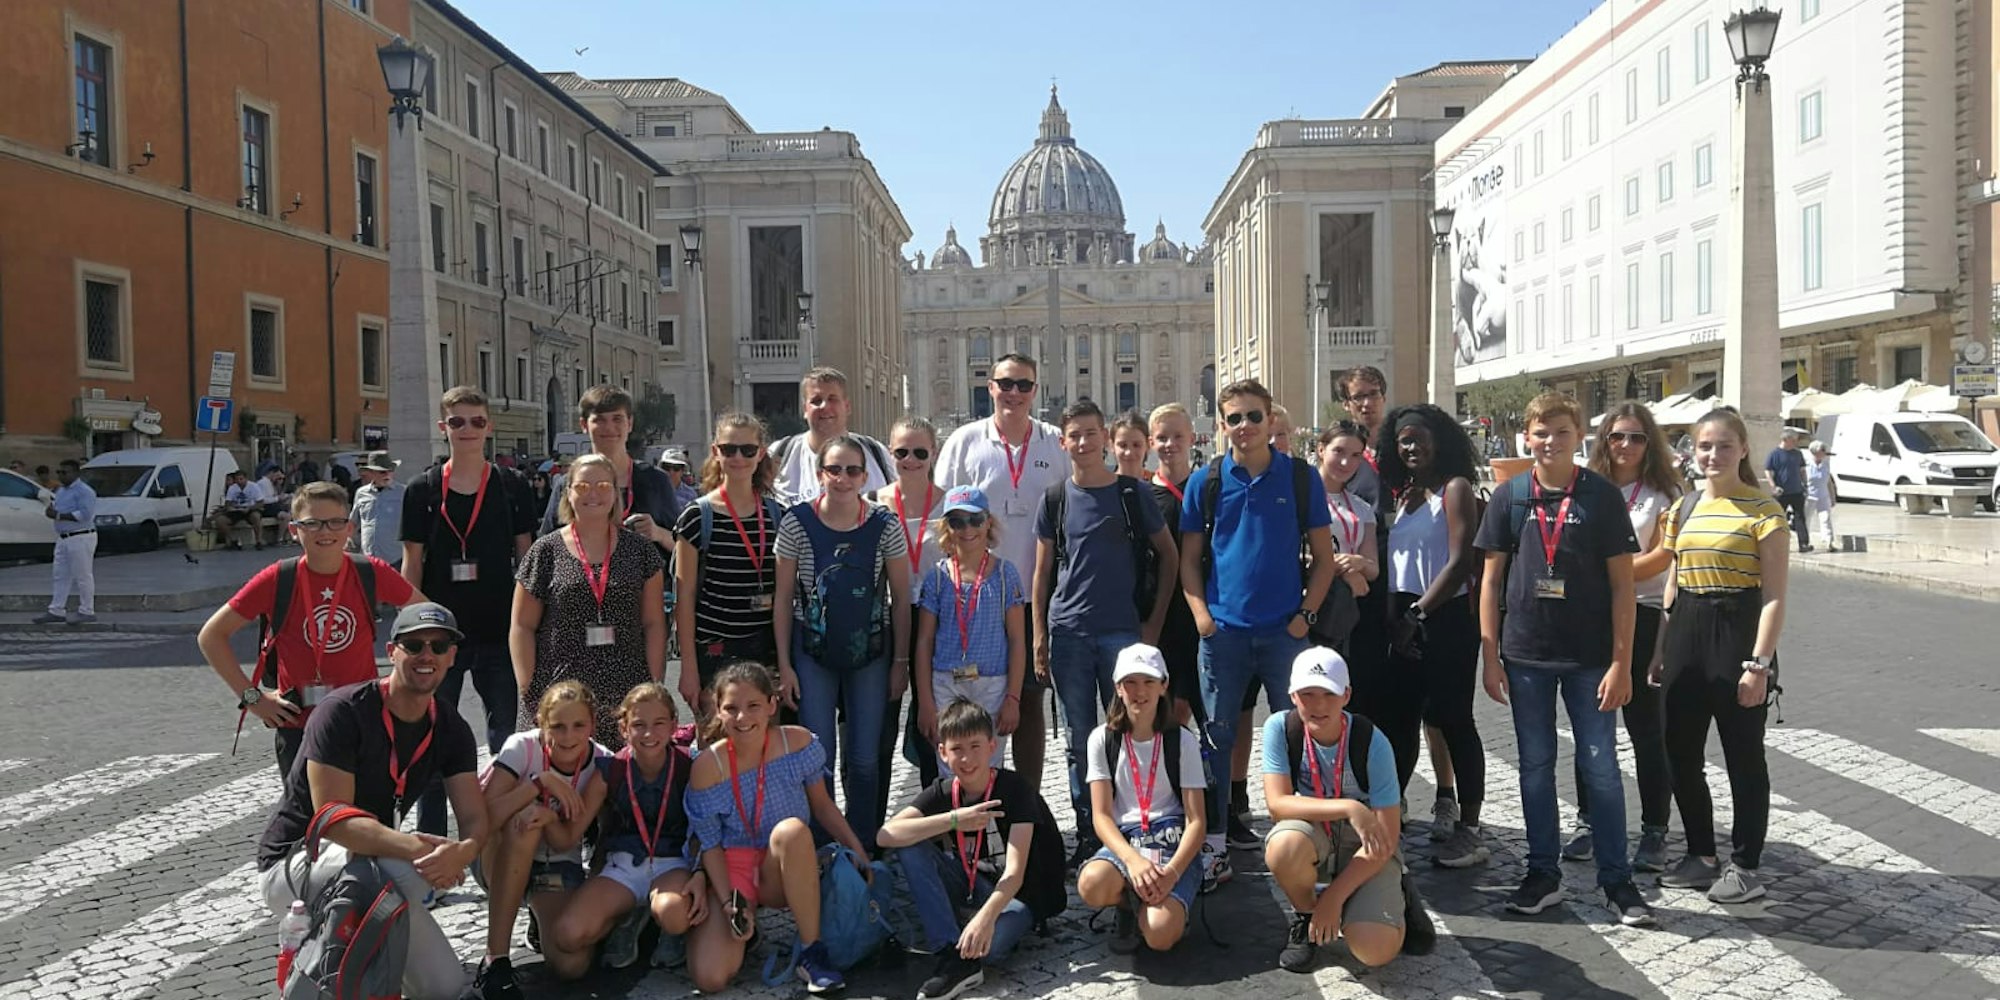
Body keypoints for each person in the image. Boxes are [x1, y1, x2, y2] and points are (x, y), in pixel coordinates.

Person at [1475, 393, 1654, 926]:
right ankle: (1542, 873)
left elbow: (1623, 587)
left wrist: (1622, 663)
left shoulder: (1601, 496)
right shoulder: (1510, 496)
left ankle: (1616, 880)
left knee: (1601, 767)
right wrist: (1490, 655)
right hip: (1525, 655)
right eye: (1540, 432)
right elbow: (1490, 582)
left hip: (1591, 658)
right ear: (1526, 438)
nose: (1549, 441)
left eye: (1560, 431)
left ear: (1579, 437)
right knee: (1535, 767)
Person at [253, 602, 487, 1000]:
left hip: (376, 864)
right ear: (392, 652)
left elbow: (474, 817)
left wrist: (463, 852)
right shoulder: (343, 711)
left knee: (444, 988)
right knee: (406, 873)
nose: (426, 655)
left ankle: (374, 955)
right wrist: (421, 849)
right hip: (296, 863)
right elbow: (335, 820)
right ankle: (313, 969)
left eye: (438, 646)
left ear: (452, 656)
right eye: (414, 645)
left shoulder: (450, 726)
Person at [1178, 379, 1336, 890]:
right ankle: (1215, 844)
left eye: (1253, 416)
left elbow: (1324, 560)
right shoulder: (1205, 483)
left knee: (1301, 736)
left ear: (1270, 420)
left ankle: (1309, 841)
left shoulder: (1300, 478)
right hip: (1223, 634)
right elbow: (1188, 561)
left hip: (1284, 634)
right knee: (1216, 740)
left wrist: (1305, 617)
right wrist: (1202, 618)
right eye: (1234, 418)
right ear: (1221, 426)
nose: (1243, 426)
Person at [1035, 400, 1177, 863]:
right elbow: (1042, 573)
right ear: (1063, 442)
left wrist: (1153, 624)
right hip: (1069, 633)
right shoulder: (1054, 499)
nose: (1083, 442)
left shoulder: (1132, 494)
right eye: (1074, 435)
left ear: (1104, 439)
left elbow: (1169, 555)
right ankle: (1088, 830)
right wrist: (1039, 634)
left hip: (1123, 633)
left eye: (1090, 433)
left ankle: (1132, 822)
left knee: (1130, 730)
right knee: (1078, 739)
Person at [1658, 408, 1790, 904]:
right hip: (1686, 630)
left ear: (1743, 450)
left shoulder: (1764, 511)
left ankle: (1746, 866)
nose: (1713, 455)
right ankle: (1700, 854)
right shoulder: (1684, 507)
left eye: (1724, 446)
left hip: (1737, 632)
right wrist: (1660, 648)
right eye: (1705, 446)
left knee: (1743, 756)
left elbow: (1774, 596)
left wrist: (1759, 665)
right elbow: (1674, 579)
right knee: (1679, 750)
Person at [199, 482, 422, 778]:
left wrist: (401, 682)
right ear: (294, 530)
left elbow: (428, 618)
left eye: (335, 522)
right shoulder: (278, 578)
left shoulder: (371, 571)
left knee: (366, 806)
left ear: (350, 528)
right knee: (305, 809)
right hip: (298, 726)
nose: (325, 531)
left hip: (361, 721)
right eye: (312, 523)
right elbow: (211, 636)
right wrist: (254, 699)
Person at [682, 663, 872, 994]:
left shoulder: (797, 743)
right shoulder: (707, 767)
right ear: (718, 710)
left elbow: (823, 807)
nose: (742, 717)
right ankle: (747, 929)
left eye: (753, 705)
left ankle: (812, 952)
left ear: (772, 705)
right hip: (734, 867)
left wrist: (858, 851)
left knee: (792, 831)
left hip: (783, 861)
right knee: (710, 977)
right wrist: (728, 904)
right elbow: (710, 845)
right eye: (731, 708)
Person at [403, 387, 540, 835]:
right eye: (457, 422)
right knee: (430, 739)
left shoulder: (512, 486)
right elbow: (412, 563)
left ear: (488, 427)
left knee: (507, 742)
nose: (467, 430)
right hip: (438, 637)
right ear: (443, 427)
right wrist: (411, 629)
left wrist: (532, 625)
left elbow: (527, 558)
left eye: (476, 421)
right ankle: (431, 840)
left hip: (500, 631)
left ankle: (501, 839)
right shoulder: (422, 489)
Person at [772, 433, 913, 847]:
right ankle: (824, 847)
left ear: (865, 477)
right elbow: (783, 599)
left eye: (852, 470)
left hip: (871, 651)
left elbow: (901, 598)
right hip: (812, 651)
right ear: (820, 474)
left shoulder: (885, 524)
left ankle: (863, 847)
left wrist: (900, 662)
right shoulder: (796, 522)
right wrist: (784, 665)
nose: (843, 478)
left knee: (865, 758)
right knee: (819, 758)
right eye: (834, 469)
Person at [935, 353, 1067, 794]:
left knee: (1027, 700)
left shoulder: (1054, 443)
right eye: (1005, 384)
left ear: (1035, 390)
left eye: (1023, 385)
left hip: (1035, 593)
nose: (1014, 393)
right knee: (965, 706)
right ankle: (965, 800)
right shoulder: (964, 441)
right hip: (975, 594)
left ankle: (1025, 803)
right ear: (990, 387)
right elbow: (945, 513)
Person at [877, 699, 1065, 1000]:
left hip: (1017, 896)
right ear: (943, 752)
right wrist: (953, 820)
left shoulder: (1015, 790)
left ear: (992, 746)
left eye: (975, 746)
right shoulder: (944, 790)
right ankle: (949, 951)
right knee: (909, 846)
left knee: (993, 945)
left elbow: (1015, 874)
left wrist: (985, 918)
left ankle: (967, 940)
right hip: (971, 883)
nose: (967, 758)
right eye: (957, 749)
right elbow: (885, 836)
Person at [1563, 403, 1681, 872]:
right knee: (1589, 725)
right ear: (1603, 441)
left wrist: (1604, 572)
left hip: (1644, 614)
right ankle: (1588, 821)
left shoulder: (1664, 495)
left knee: (1647, 730)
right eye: (1617, 436)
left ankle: (1654, 830)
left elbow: (1662, 557)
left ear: (1650, 443)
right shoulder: (1585, 488)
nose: (1626, 445)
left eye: (1636, 437)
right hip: (1591, 617)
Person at [1374, 403, 1489, 868]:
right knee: (1400, 720)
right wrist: (1395, 620)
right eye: (1403, 440)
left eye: (1419, 437)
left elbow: (1460, 563)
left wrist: (1417, 614)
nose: (1411, 446)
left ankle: (1471, 828)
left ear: (1439, 440)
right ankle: (1390, 821)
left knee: (1454, 719)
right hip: (1405, 618)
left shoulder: (1455, 489)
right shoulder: (1405, 496)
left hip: (1444, 617)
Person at [1262, 648, 1405, 972]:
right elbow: (1277, 804)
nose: (1318, 705)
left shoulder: (1372, 741)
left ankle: (1394, 901)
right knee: (1283, 846)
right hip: (1318, 831)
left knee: (1373, 950)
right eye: (1307, 694)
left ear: (1346, 695)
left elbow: (1387, 838)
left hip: (1365, 844)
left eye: (1329, 694)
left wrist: (1333, 897)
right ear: (1292, 696)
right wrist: (1349, 807)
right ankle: (1306, 917)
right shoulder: (1280, 728)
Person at [513, 453, 668, 747]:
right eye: (582, 487)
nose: (593, 494)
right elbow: (522, 626)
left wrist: (653, 684)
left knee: (620, 774)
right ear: (568, 493)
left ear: (615, 493)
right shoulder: (545, 551)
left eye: (603, 486)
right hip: (558, 694)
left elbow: (653, 623)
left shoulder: (641, 551)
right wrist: (529, 690)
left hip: (626, 693)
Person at [471, 680, 610, 998]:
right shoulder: (522, 746)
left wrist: (550, 817)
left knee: (571, 966)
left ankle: (538, 913)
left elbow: (567, 841)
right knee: (526, 821)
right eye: (557, 726)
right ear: (540, 723)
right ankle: (496, 960)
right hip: (500, 854)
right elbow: (484, 820)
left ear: (592, 724)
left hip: (555, 863)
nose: (568, 736)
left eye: (578, 725)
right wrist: (537, 784)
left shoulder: (601, 762)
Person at [556, 683, 702, 972]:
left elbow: (706, 827)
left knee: (673, 915)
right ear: (624, 728)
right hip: (623, 865)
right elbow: (571, 834)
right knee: (568, 935)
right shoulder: (611, 770)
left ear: (674, 725)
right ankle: (627, 916)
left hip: (674, 862)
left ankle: (666, 927)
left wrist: (700, 872)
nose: (649, 734)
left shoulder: (690, 765)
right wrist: (546, 816)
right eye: (638, 725)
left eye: (659, 723)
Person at [1076, 644, 1207, 953]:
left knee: (1160, 936)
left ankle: (1167, 906)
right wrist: (1132, 861)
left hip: (1172, 842)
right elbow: (1101, 816)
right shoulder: (1102, 739)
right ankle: (1129, 904)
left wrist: (1172, 873)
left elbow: (1197, 821)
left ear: (1163, 686)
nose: (1139, 691)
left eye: (1148, 681)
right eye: (1130, 682)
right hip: (1128, 841)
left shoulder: (1182, 740)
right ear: (1117, 687)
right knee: (1091, 883)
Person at [673, 413, 785, 716]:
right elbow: (685, 596)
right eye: (729, 449)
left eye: (747, 450)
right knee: (717, 740)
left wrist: (786, 664)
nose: (738, 458)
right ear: (716, 452)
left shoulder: (778, 515)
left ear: (760, 454)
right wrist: (688, 668)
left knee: (763, 739)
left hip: (765, 650)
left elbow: (786, 595)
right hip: (714, 650)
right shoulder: (697, 516)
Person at [915, 487, 1026, 771]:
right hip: (946, 682)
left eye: (975, 520)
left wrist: (1013, 697)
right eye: (957, 522)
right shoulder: (937, 577)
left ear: (988, 523)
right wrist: (925, 702)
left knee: (989, 766)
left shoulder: (1005, 574)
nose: (967, 529)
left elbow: (1016, 639)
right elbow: (925, 640)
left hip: (992, 684)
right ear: (947, 528)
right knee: (950, 765)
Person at [876, 414, 950, 798]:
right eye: (902, 452)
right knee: (880, 723)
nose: (911, 460)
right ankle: (873, 817)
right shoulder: (873, 503)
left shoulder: (949, 506)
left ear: (933, 453)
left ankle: (933, 807)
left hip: (936, 619)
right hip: (887, 617)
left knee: (930, 719)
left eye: (920, 452)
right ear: (891, 453)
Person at [541, 386, 679, 553]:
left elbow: (684, 548)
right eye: (599, 420)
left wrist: (659, 534)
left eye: (617, 419)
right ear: (584, 425)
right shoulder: (568, 484)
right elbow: (546, 549)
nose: (609, 427)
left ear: (630, 424)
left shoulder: (656, 481)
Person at [1145, 404, 1201, 726]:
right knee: (1164, 708)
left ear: (1192, 438)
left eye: (1178, 436)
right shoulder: (1144, 495)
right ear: (1151, 442)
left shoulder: (1206, 489)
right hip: (1161, 611)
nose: (1170, 444)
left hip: (1199, 609)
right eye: (1163, 437)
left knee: (1196, 705)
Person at [768, 367, 896, 504]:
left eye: (832, 399)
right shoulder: (778, 455)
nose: (824, 406)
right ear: (805, 409)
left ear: (847, 406)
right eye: (816, 401)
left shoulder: (877, 454)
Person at [1313, 421, 1381, 651]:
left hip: (1341, 614)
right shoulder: (1299, 497)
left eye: (1355, 455)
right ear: (1321, 449)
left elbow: (1372, 569)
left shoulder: (1362, 508)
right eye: (1339, 451)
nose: (1346, 462)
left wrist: (1358, 563)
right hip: (1302, 608)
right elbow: (1291, 554)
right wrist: (1344, 572)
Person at [37, 459, 97, 626]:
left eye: (65, 472)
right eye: (59, 472)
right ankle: (56, 610)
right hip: (63, 537)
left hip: (81, 536)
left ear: (76, 473)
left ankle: (87, 610)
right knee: (60, 575)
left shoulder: (84, 491)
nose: (61, 475)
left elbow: (85, 515)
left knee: (82, 575)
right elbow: (58, 509)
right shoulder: (61, 491)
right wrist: (51, 510)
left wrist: (58, 515)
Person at [351, 453, 405, 569]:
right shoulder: (361, 493)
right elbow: (353, 522)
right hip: (369, 556)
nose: (387, 475)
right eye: (382, 472)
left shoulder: (403, 492)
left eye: (390, 471)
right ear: (371, 473)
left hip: (395, 557)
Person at [1764, 429, 1812, 553]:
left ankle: (1803, 544)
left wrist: (1805, 484)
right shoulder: (1774, 454)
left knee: (1800, 517)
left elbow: (1802, 470)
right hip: (1781, 492)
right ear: (1785, 440)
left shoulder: (1797, 454)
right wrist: (1773, 486)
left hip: (1797, 491)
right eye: (1793, 440)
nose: (1796, 442)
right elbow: (1768, 471)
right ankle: (1774, 544)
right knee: (1777, 519)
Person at [209, 470, 269, 551]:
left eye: (241, 479)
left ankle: (258, 541)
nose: (239, 481)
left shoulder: (254, 487)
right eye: (237, 479)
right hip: (237, 509)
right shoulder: (232, 488)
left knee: (256, 517)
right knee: (220, 521)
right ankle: (232, 540)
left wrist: (249, 508)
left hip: (251, 508)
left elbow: (261, 503)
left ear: (246, 479)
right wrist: (232, 508)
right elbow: (228, 503)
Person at [1804, 440, 1836, 552]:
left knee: (1825, 518)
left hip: (1823, 496)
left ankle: (1828, 542)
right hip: (1809, 497)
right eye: (1822, 450)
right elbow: (1802, 480)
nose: (1824, 452)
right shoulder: (1807, 465)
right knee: (1807, 520)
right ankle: (1805, 542)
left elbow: (1829, 482)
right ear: (1815, 452)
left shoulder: (1825, 465)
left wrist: (1832, 497)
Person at [659, 447, 700, 525]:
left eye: (676, 468)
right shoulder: (653, 491)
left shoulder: (691, 495)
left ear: (682, 471)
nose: (671, 472)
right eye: (667, 467)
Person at [1109, 410, 1152, 481]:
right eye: (1123, 445)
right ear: (1112, 446)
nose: (1129, 452)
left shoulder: (1159, 483)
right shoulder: (1104, 484)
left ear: (1148, 445)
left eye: (1136, 445)